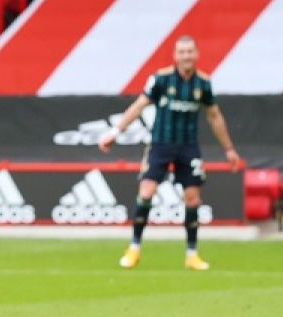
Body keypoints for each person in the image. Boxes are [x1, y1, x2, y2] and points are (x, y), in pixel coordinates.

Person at [98, 36, 241, 271]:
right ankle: (134, 248)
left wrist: (229, 149)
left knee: (193, 198)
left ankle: (192, 254)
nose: (186, 56)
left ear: (196, 54)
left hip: (188, 147)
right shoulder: (161, 79)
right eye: (182, 52)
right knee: (146, 192)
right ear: (175, 56)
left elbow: (214, 116)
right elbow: (139, 105)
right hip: (160, 145)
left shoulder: (203, 84)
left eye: (190, 51)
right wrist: (115, 131)